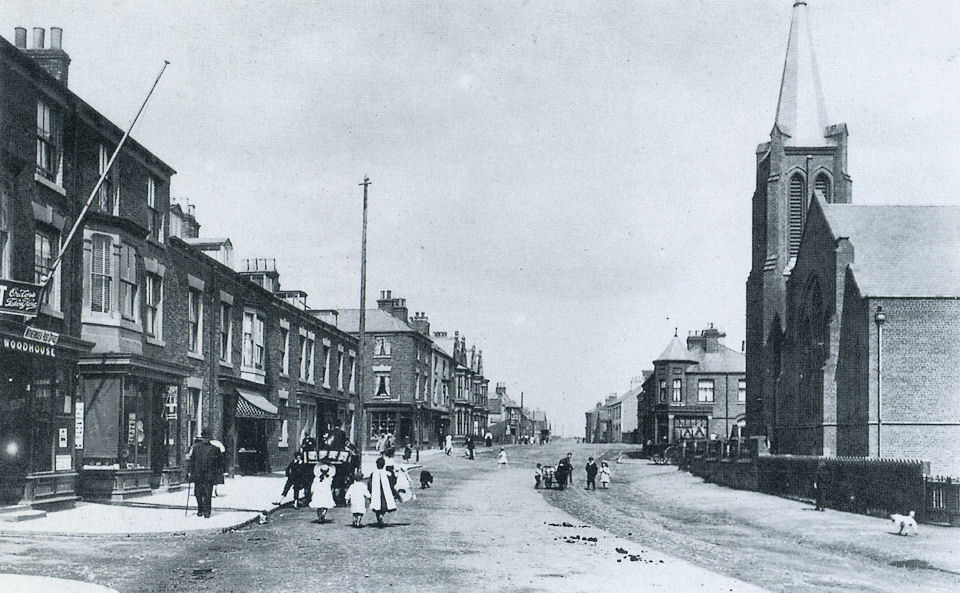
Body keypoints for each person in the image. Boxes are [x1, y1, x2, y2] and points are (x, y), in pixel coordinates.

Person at [187, 430, 221, 518]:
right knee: (202, 493)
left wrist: (190, 472)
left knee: (203, 493)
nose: (206, 439)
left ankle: (204, 511)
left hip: (203, 475)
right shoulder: (198, 448)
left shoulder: (214, 449)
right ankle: (203, 510)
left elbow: (191, 462)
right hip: (203, 475)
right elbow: (192, 461)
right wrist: (190, 472)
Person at [368, 456, 398, 526]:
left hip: (376, 492)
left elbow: (370, 484)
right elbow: (392, 482)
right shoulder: (388, 474)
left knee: (377, 506)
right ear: (384, 465)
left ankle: (379, 516)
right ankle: (381, 515)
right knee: (384, 505)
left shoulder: (373, 474)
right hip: (385, 493)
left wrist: (370, 491)